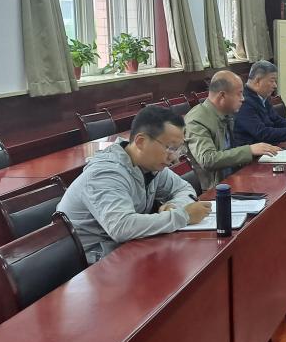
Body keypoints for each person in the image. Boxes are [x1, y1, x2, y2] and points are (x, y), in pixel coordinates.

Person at [57, 105, 212, 262]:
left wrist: (175, 206)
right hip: (92, 263)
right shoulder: (106, 174)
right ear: (140, 142)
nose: (174, 158)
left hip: (127, 250)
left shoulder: (150, 165)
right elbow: (122, 227)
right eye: (170, 148)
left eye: (178, 149)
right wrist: (184, 216)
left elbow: (183, 188)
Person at [184, 70, 280, 191]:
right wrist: (250, 150)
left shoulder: (227, 114)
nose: (243, 99)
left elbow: (233, 150)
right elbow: (208, 159)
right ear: (222, 95)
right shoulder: (197, 120)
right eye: (239, 94)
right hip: (214, 191)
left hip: (235, 179)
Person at [233, 60, 286, 147]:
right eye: (272, 81)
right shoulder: (244, 102)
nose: (275, 86)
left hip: (271, 147)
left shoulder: (262, 97)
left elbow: (278, 121)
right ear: (258, 81)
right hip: (255, 152)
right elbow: (262, 133)